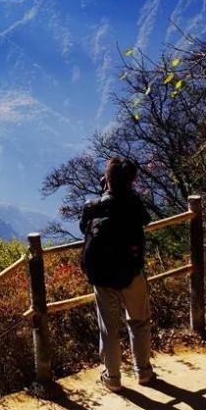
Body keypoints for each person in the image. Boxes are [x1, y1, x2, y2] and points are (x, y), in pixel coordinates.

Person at [79, 157, 155, 392]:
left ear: (108, 178)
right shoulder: (134, 204)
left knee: (109, 329)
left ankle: (112, 378)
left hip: (102, 276)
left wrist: (105, 193)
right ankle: (143, 372)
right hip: (132, 272)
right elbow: (146, 220)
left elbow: (84, 229)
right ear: (132, 181)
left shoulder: (93, 207)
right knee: (139, 321)